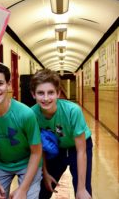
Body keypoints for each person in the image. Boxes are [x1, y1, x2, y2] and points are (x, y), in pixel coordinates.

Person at [0, 62, 43, 199]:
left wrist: (23, 189)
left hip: (27, 162)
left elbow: (36, 153)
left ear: (8, 84)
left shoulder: (26, 114)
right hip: (1, 163)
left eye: (0, 83)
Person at [30, 69, 92, 199]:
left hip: (78, 149)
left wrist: (81, 189)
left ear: (58, 93)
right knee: (43, 191)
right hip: (54, 150)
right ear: (33, 94)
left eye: (51, 92)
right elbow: (38, 148)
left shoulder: (72, 111)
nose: (46, 98)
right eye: (41, 93)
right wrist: (45, 173)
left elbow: (81, 151)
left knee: (83, 192)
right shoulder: (32, 115)